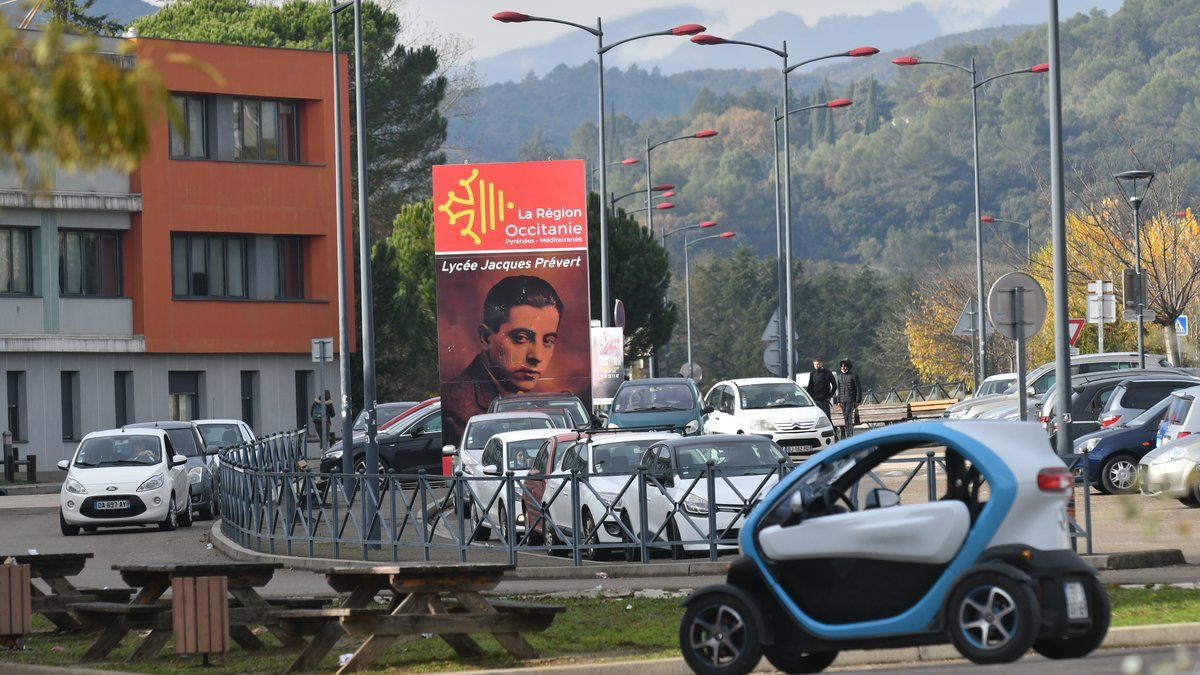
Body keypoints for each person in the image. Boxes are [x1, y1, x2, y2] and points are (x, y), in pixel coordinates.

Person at [443, 275, 564, 446]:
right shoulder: (459, 412)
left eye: (548, 341)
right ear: (485, 337)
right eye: (521, 338)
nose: (536, 356)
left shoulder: (522, 397)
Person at [835, 359, 863, 438]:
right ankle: (848, 434)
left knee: (848, 417)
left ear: (848, 367)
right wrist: (838, 401)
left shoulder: (854, 375)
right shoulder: (839, 377)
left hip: (851, 400)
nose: (843, 367)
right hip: (842, 401)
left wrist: (858, 400)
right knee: (846, 417)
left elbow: (858, 388)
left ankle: (849, 435)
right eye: (842, 366)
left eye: (845, 366)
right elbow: (839, 389)